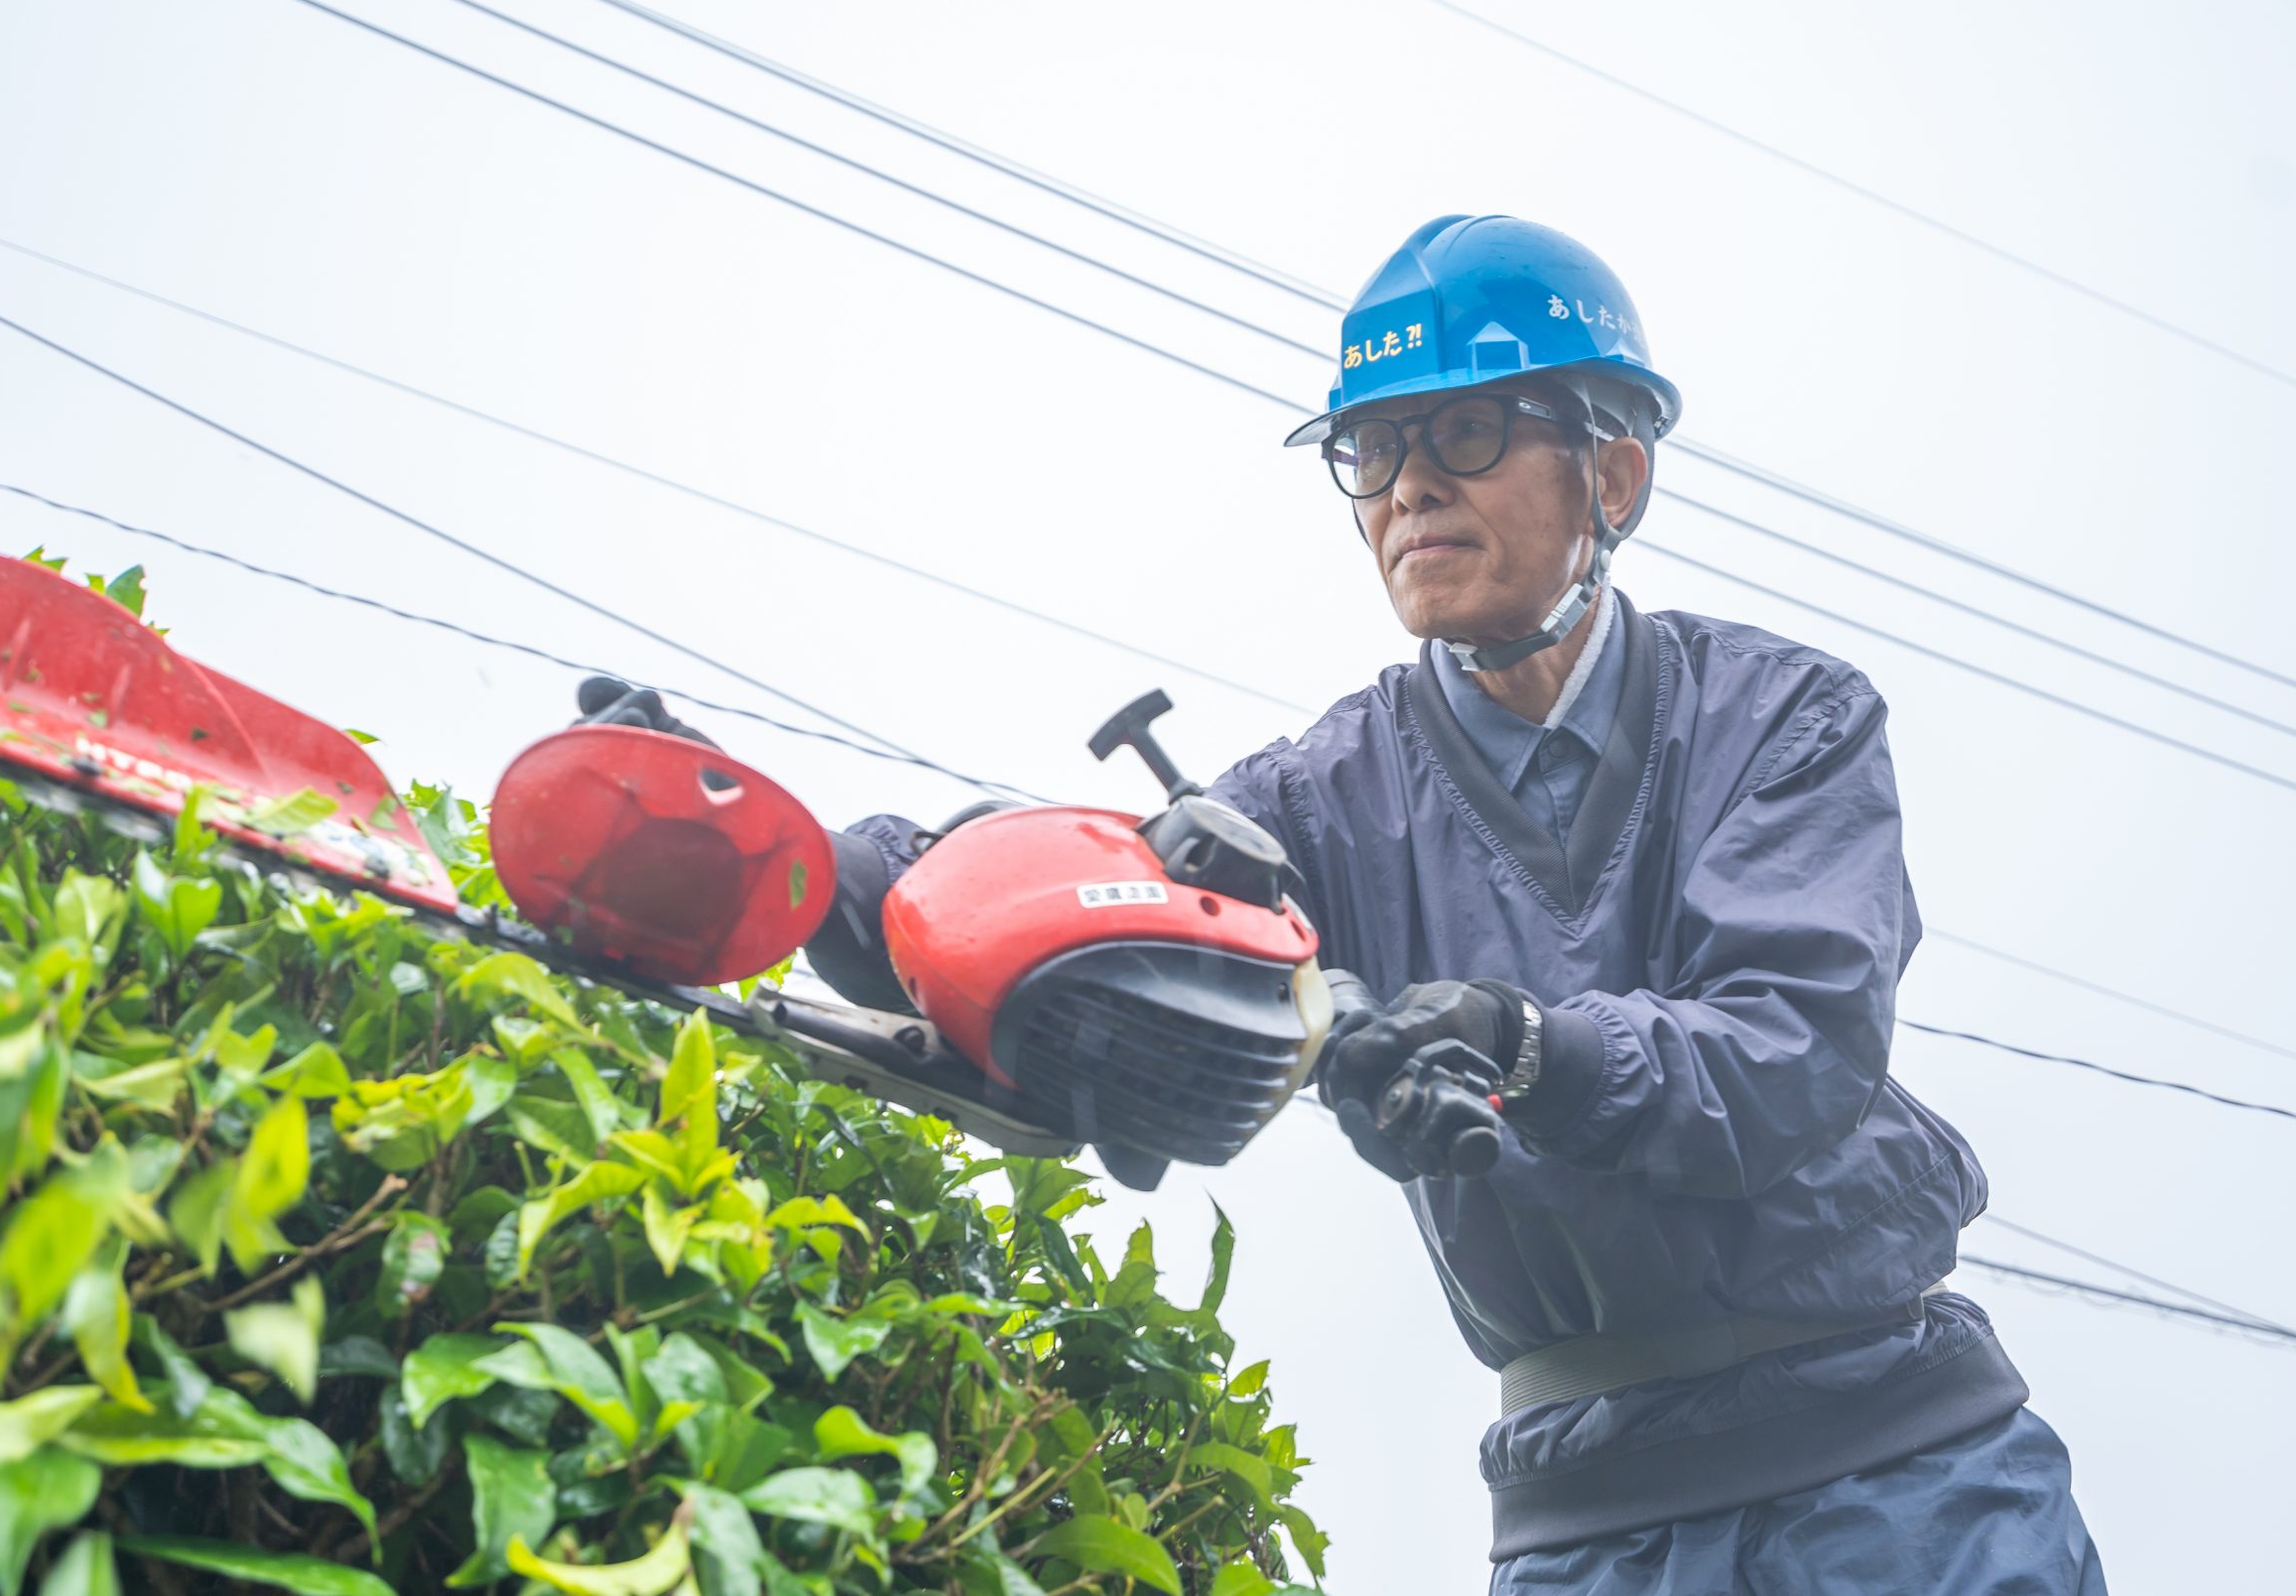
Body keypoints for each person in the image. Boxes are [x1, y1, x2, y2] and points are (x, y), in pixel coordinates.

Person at [806, 214, 2105, 1592]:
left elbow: (1788, 1054)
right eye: (1373, 452)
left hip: (1901, 1482)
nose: (1409, 488)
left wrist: (1521, 1044)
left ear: (1615, 473)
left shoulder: (1782, 720)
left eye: (1466, 434)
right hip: (1587, 1521)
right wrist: (814, 873)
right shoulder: (1317, 803)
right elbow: (1097, 911)